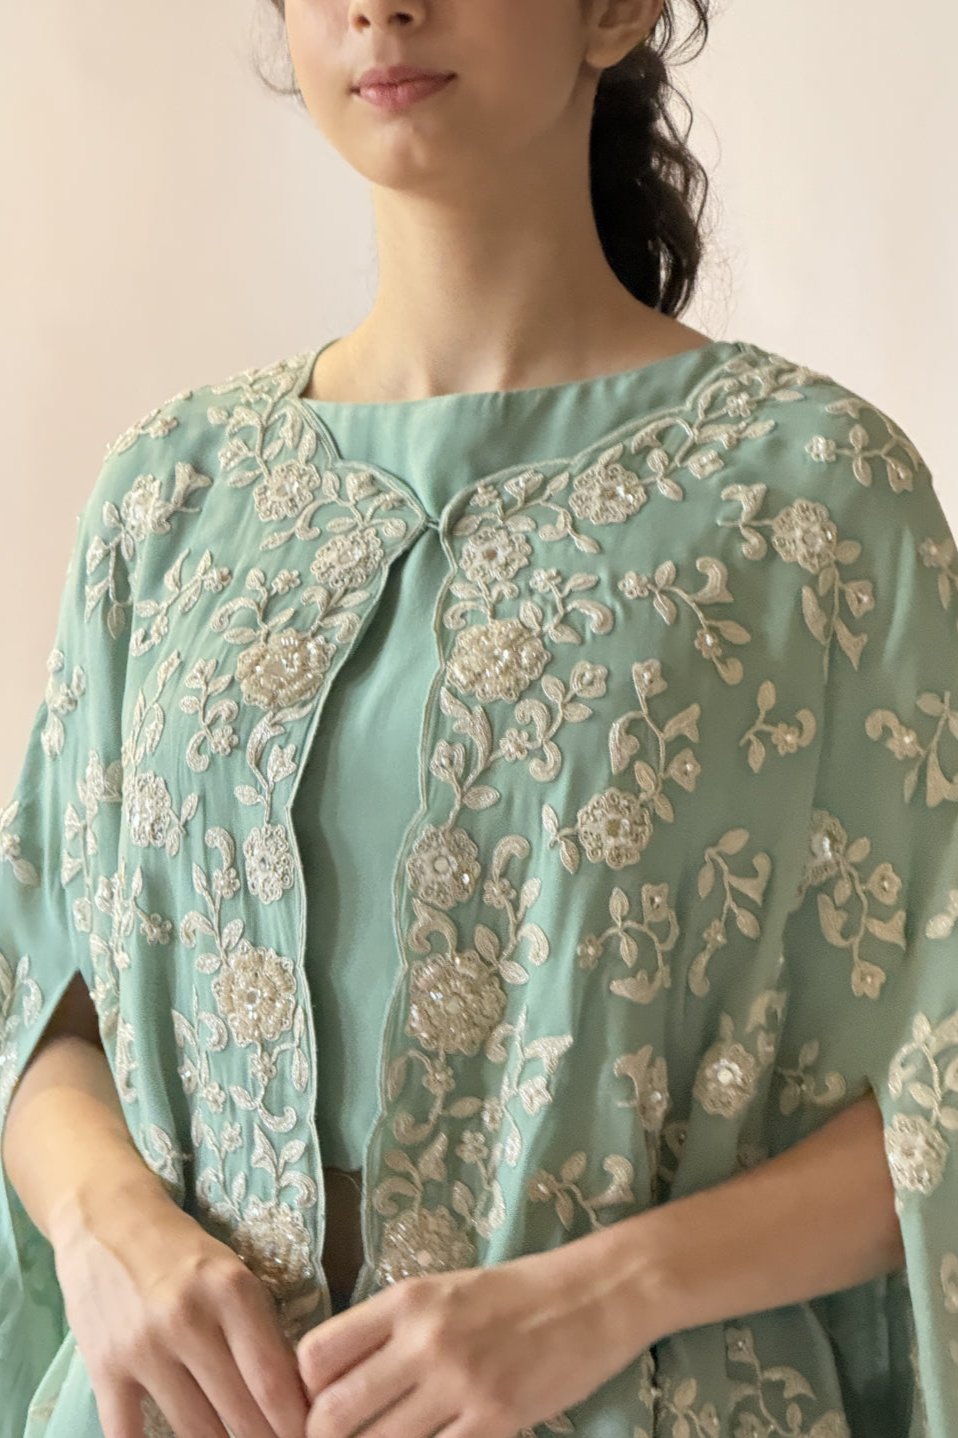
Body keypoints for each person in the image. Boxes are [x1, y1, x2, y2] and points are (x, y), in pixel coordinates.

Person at [1, 1, 956, 1436]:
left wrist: (601, 1296)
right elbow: (35, 994)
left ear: (612, 10)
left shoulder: (809, 499)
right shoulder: (169, 495)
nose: (381, 7)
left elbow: (937, 1075)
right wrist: (104, 1224)